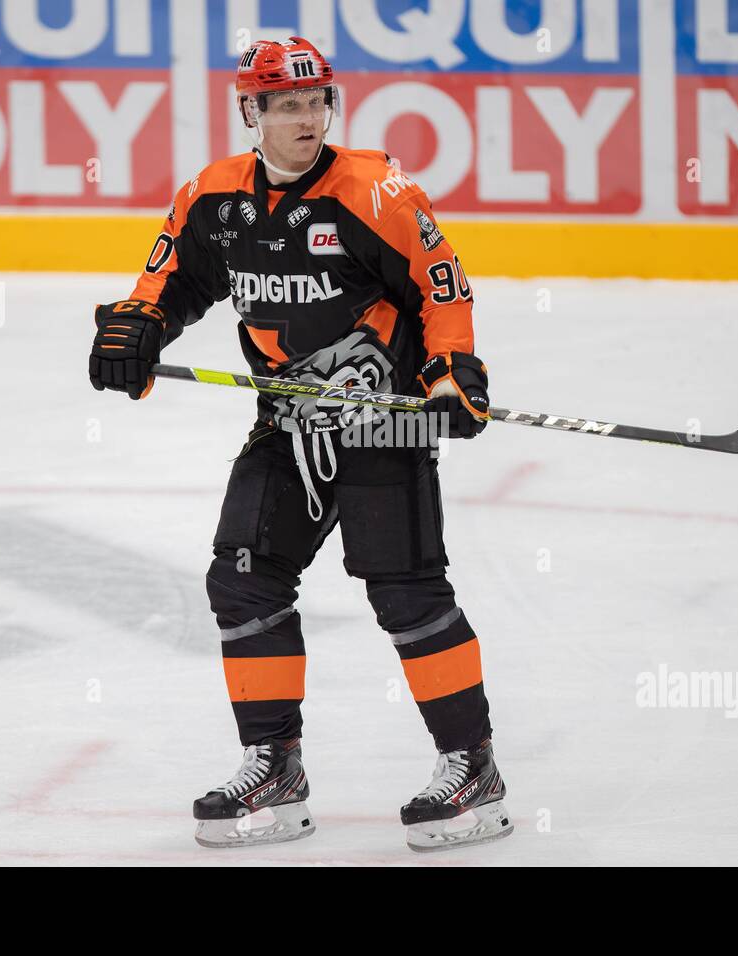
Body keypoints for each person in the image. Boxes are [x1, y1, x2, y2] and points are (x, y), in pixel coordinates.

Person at [88, 37, 510, 852]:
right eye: (287, 105)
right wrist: (138, 330)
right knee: (243, 578)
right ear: (253, 113)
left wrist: (451, 369)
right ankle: (275, 766)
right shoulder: (213, 197)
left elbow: (441, 282)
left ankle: (474, 766)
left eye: (318, 102)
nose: (308, 118)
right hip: (286, 418)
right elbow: (173, 282)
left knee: (406, 592)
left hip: (382, 413)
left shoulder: (375, 189)